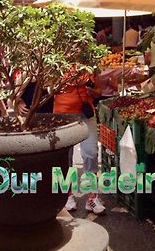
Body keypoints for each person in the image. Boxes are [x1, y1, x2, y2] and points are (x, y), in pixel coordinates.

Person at [54, 70, 105, 215]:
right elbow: (50, 88)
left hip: (86, 115)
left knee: (91, 153)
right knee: (65, 157)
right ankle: (67, 195)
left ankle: (92, 197)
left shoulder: (91, 65)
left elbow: (98, 91)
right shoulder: (59, 63)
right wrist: (74, 82)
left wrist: (90, 89)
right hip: (62, 116)